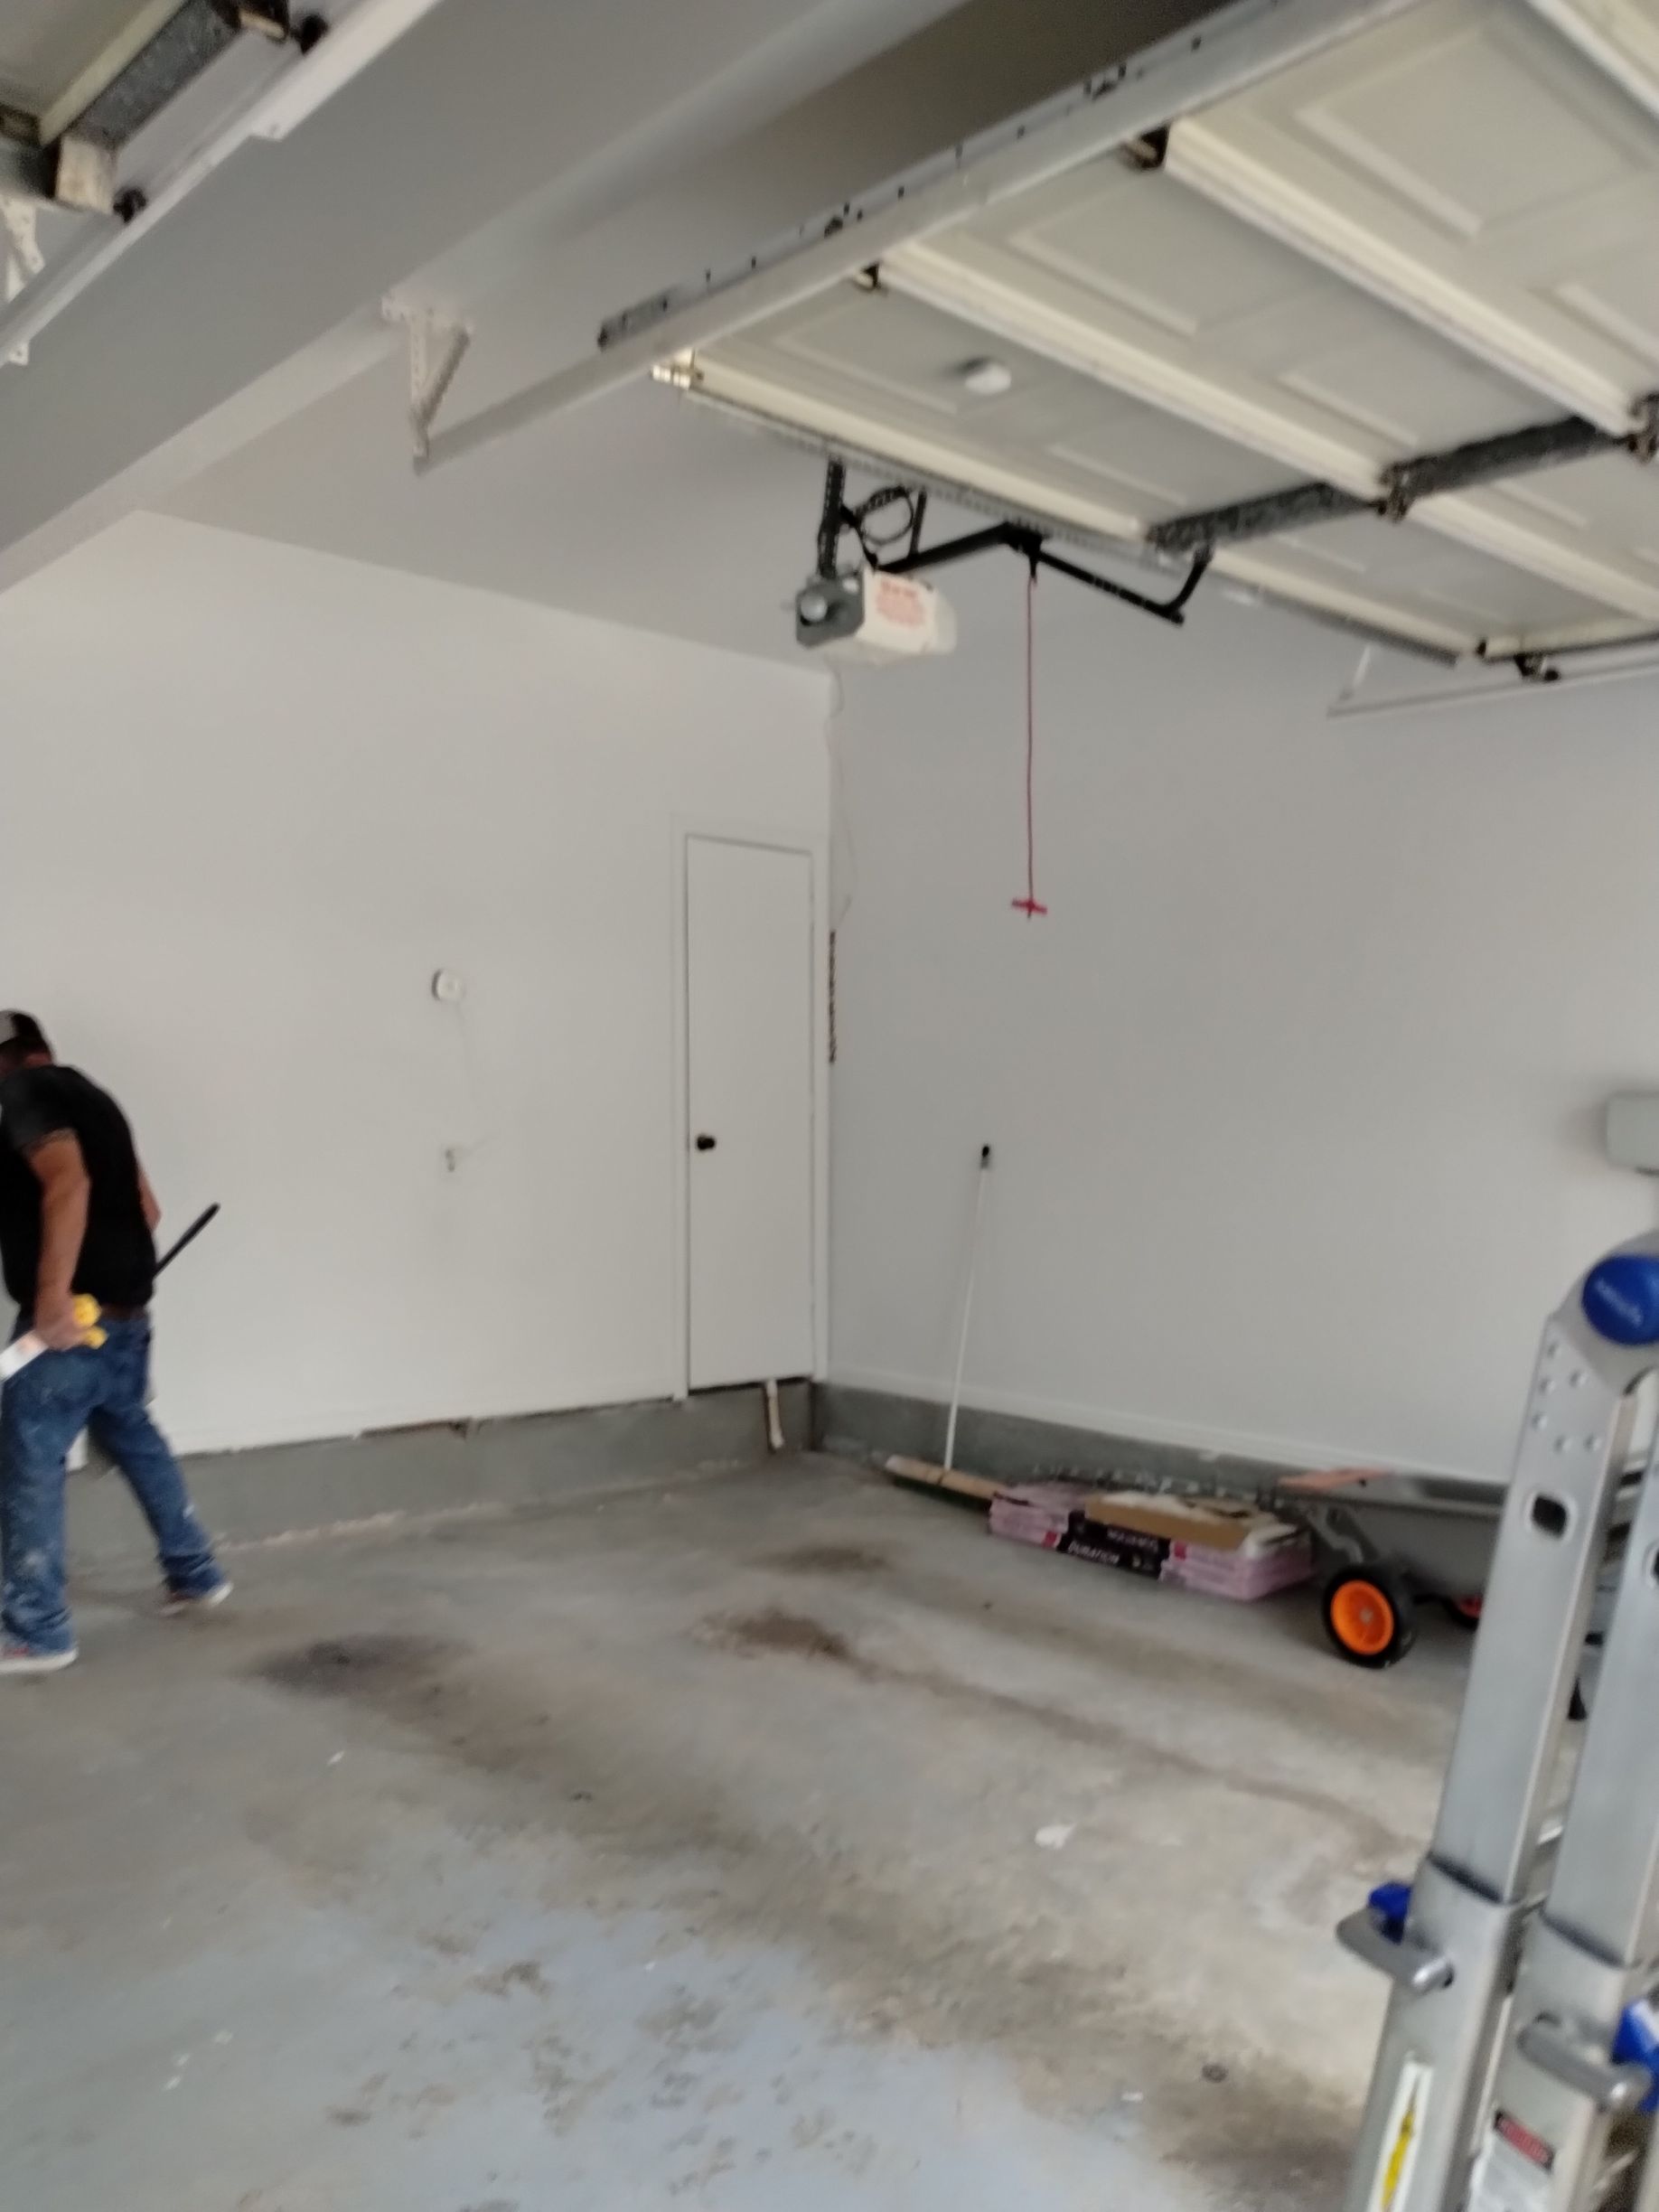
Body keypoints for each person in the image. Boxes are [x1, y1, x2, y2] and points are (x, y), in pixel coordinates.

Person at [0, 1012, 228, 1675]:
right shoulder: (96, 1099)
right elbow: (146, 1211)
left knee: (29, 1453)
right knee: (132, 1434)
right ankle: (195, 1572)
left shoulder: (18, 1098)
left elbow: (68, 1184)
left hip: (69, 1322)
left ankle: (36, 1631)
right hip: (126, 1317)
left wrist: (50, 1302)